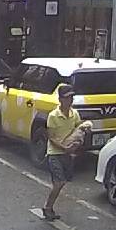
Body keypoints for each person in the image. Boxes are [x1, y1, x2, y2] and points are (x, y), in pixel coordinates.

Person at [43, 83, 91, 220]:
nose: (69, 100)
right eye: (66, 98)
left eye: (71, 98)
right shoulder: (53, 116)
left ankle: (49, 207)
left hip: (68, 154)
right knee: (59, 182)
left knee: (62, 182)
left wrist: (82, 134)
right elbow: (51, 137)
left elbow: (78, 129)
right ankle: (47, 208)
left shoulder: (74, 114)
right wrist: (64, 148)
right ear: (60, 99)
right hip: (54, 153)